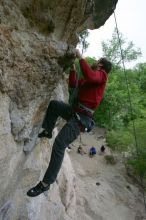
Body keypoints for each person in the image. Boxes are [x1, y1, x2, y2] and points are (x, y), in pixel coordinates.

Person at [27, 49, 112, 197]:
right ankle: (47, 130)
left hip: (82, 118)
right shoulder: (90, 80)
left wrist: (81, 58)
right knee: (54, 104)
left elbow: (91, 76)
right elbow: (73, 84)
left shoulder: (101, 76)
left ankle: (46, 183)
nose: (94, 62)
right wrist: (73, 69)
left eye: (97, 61)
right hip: (75, 111)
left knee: (60, 144)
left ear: (100, 66)